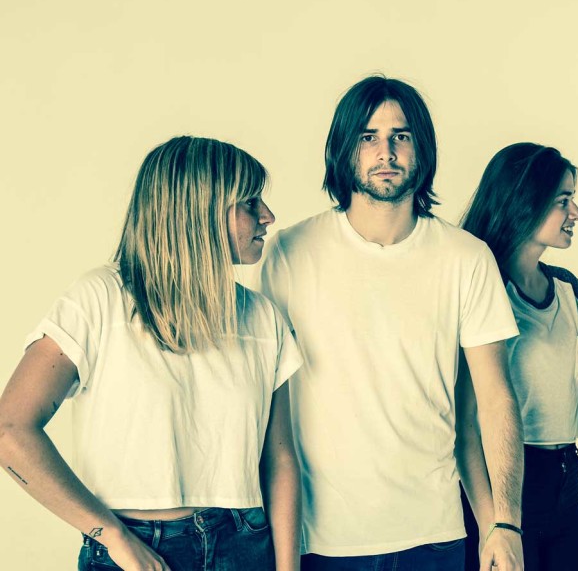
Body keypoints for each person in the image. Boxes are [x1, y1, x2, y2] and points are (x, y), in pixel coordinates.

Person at [258, 75, 525, 571]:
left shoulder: (466, 258)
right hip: (323, 541)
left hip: (433, 535)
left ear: (422, 149)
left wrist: (503, 523)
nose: (386, 152)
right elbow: (272, 411)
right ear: (344, 149)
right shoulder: (291, 253)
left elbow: (494, 399)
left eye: (400, 136)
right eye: (368, 137)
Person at [0, 136, 303, 570]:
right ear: (198, 210)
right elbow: (10, 430)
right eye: (249, 202)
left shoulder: (263, 317)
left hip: (243, 544)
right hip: (136, 549)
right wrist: (114, 538)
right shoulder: (100, 299)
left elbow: (280, 460)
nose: (268, 216)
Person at [457, 143, 578, 570]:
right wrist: (493, 527)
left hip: (565, 477)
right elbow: (465, 424)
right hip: (505, 482)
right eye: (563, 201)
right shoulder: (484, 288)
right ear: (525, 201)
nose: (575, 213)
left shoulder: (567, 288)